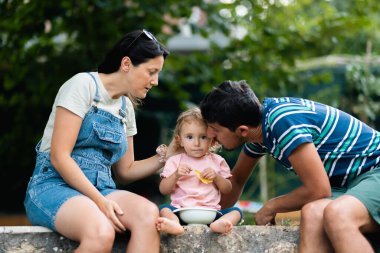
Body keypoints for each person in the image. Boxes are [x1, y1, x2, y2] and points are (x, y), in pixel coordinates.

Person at [24, 29, 174, 253]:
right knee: (101, 231)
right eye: (152, 72)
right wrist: (100, 202)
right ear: (126, 64)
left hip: (101, 189)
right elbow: (59, 157)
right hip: (53, 186)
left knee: (148, 214)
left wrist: (169, 154)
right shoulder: (83, 85)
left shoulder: (126, 109)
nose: (156, 81)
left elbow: (126, 171)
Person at [199, 80, 380, 253]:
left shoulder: (282, 121)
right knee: (312, 213)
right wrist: (199, 213)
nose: (209, 134)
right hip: (352, 184)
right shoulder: (260, 134)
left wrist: (271, 206)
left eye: (215, 128)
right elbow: (236, 180)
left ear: (242, 130)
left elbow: (319, 190)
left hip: (375, 169)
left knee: (337, 213)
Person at [155, 107, 242, 235]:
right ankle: (175, 224)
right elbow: (163, 189)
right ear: (180, 140)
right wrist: (176, 175)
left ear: (212, 140)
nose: (196, 143)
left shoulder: (218, 161)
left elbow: (228, 189)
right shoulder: (175, 161)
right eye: (189, 137)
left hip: (210, 213)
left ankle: (219, 224)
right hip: (181, 211)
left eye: (203, 137)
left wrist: (217, 177)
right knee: (164, 209)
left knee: (236, 211)